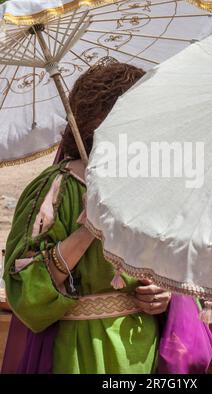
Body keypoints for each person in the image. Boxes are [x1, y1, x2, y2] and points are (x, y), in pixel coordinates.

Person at [3, 63, 171, 374]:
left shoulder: (151, 187)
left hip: (144, 348)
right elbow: (23, 290)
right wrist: (88, 230)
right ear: (101, 121)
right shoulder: (56, 188)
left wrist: (165, 296)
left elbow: (179, 268)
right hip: (78, 349)